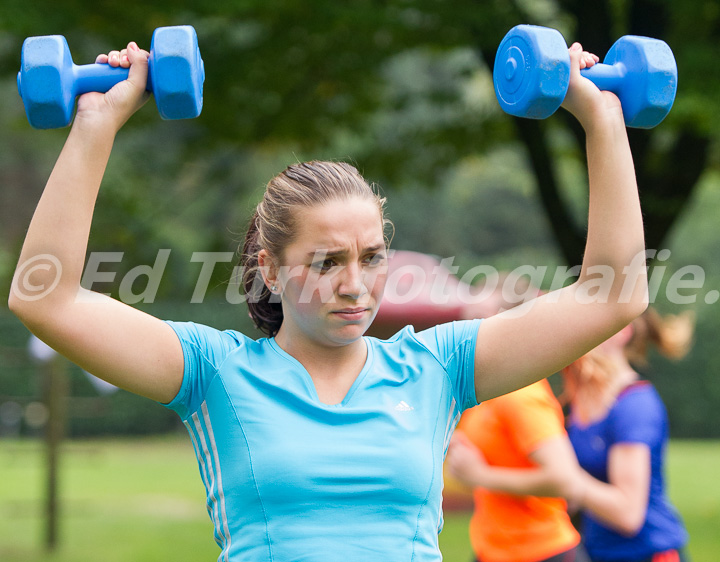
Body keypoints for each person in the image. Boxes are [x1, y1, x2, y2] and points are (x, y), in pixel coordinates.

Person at [8, 39, 647, 562]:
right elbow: (46, 298)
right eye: (326, 262)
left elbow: (612, 295)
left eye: (371, 258)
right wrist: (97, 122)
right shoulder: (216, 373)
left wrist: (602, 119)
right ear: (271, 269)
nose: (355, 283)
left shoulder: (438, 368)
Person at [446, 281, 589, 562]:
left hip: (540, 553)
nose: (465, 330)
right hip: (494, 551)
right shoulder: (487, 389)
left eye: (479, 320)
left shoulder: (521, 395)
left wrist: (480, 476)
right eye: (464, 319)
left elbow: (566, 481)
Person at [561, 308, 694, 562]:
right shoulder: (579, 399)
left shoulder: (634, 405)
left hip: (648, 553)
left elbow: (628, 514)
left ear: (621, 331)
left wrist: (564, 479)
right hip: (598, 552)